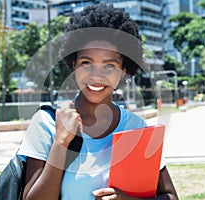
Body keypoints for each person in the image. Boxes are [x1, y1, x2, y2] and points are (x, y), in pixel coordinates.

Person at [18, 3, 178, 200]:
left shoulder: (136, 128)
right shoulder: (47, 123)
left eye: (109, 65)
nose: (96, 75)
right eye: (86, 63)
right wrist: (61, 142)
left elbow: (170, 196)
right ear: (74, 64)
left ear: (123, 71)